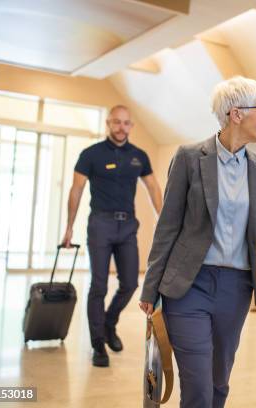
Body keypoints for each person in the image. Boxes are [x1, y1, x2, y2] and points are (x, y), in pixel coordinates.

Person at [139, 76, 256, 408]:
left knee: (218, 384)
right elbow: (168, 226)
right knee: (198, 386)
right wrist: (150, 287)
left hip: (236, 290)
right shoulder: (189, 157)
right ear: (237, 114)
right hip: (189, 286)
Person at [61, 105, 163, 367]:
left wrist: (164, 222)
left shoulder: (139, 156)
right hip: (100, 224)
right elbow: (76, 189)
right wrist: (69, 227)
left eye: (126, 123)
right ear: (108, 123)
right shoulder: (91, 154)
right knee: (99, 285)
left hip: (128, 226)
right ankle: (98, 345)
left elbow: (153, 187)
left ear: (132, 126)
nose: (121, 127)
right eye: (117, 122)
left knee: (130, 283)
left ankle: (108, 323)